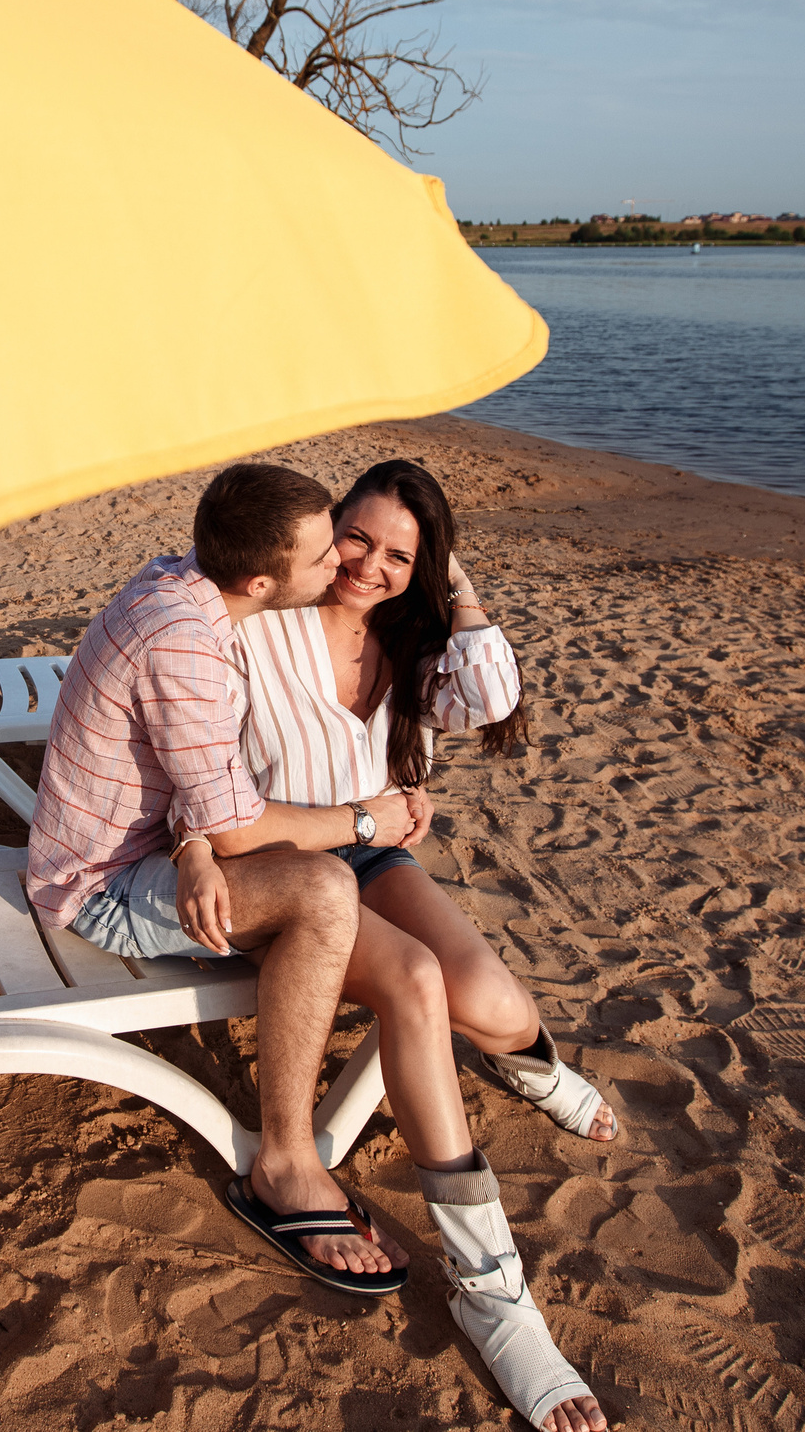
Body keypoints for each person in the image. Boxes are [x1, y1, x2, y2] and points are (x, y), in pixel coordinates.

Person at [219, 457, 611, 1432]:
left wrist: (450, 578)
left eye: (399, 554)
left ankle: (530, 1065)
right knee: (419, 980)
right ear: (326, 528)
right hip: (283, 871)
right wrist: (360, 816)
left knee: (497, 1004)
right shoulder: (265, 621)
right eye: (356, 538)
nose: (369, 566)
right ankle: (493, 1293)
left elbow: (490, 695)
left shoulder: (406, 637)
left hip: (369, 857)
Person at [24, 462, 429, 1296]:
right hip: (99, 884)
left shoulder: (183, 584)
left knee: (330, 890)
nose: (341, 565)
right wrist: (367, 820)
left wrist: (196, 845)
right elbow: (240, 821)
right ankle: (285, 1163)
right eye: (323, 555)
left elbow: (201, 779)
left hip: (150, 847)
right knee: (324, 893)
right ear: (260, 581)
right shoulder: (186, 643)